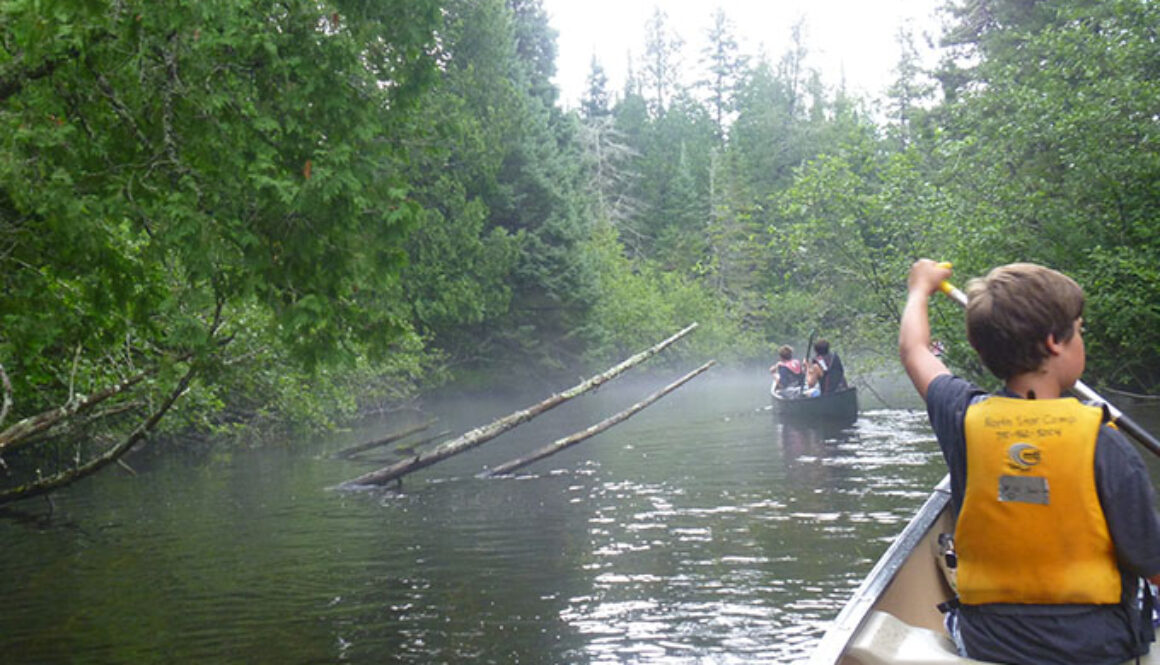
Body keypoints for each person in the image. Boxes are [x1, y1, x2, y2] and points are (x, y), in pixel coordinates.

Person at [899, 259, 1160, 665]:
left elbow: (914, 350)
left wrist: (920, 289)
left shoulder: (961, 417)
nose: (1083, 339)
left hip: (991, 642)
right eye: (1080, 330)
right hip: (1096, 647)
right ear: (1055, 342)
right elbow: (1151, 563)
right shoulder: (1105, 443)